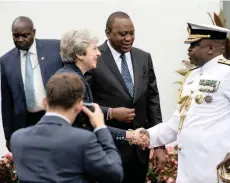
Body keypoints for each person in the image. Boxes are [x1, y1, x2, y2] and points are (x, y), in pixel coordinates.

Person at [133, 22, 230, 183]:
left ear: (211, 48)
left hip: (220, 170)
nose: (189, 50)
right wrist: (149, 135)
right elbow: (179, 122)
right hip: (191, 171)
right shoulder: (192, 76)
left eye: (194, 45)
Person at [86, 11, 165, 183]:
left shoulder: (143, 57)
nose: (128, 38)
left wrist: (159, 144)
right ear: (107, 33)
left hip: (139, 152)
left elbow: (153, 102)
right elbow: (84, 103)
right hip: (107, 148)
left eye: (131, 33)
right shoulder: (94, 58)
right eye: (123, 34)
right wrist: (110, 112)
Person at [10, 73, 124, 183]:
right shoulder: (83, 140)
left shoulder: (17, 138)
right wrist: (101, 127)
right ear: (80, 105)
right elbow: (115, 174)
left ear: (44, 102)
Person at [56, 29, 146, 144]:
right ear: (79, 54)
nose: (98, 53)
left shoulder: (69, 75)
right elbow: (90, 124)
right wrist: (131, 135)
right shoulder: (72, 81)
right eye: (94, 49)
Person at [0, 16, 63, 151]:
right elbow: (6, 101)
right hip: (25, 122)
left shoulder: (55, 48)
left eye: (25, 35)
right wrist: (8, 135)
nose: (20, 39)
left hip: (53, 116)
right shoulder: (5, 61)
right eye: (16, 36)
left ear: (34, 32)